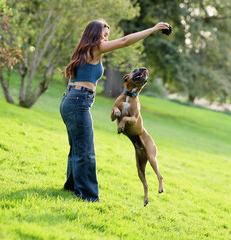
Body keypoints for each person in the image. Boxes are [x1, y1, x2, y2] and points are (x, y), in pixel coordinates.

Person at [60, 19, 170, 202]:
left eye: (107, 35)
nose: (106, 38)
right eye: (103, 34)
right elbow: (125, 41)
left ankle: (71, 187)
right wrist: (152, 29)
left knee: (77, 147)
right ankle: (88, 197)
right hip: (78, 101)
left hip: (70, 100)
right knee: (86, 150)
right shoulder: (95, 48)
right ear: (94, 34)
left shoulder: (82, 50)